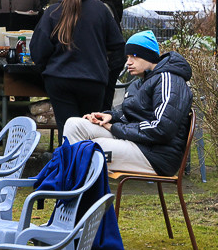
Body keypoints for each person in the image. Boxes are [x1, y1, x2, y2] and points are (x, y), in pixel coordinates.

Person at [63, 30, 193, 176]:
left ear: (149, 56)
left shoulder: (169, 80)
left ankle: (77, 191)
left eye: (134, 56)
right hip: (137, 143)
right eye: (128, 57)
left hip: (156, 156)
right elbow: (134, 114)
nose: (128, 62)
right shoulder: (140, 83)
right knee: (74, 124)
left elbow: (162, 129)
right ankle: (74, 186)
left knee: (88, 149)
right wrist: (110, 116)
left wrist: (114, 128)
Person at [30, 0, 124, 131]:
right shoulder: (100, 10)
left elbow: (38, 50)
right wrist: (103, 66)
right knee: (90, 130)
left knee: (67, 130)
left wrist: (48, 68)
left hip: (59, 78)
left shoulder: (52, 12)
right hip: (93, 80)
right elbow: (117, 45)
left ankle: (68, 156)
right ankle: (88, 157)